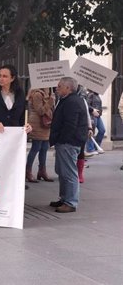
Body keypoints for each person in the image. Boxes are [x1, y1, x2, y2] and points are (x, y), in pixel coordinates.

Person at [49, 77, 89, 213]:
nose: (57, 88)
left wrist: (62, 139)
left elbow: (70, 124)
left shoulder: (72, 102)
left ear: (68, 88)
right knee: (62, 172)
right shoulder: (67, 100)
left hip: (68, 142)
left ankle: (70, 202)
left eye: (60, 86)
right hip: (66, 142)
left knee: (69, 173)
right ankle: (64, 198)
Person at [26, 87, 55, 182]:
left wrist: (52, 102)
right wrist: (50, 102)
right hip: (37, 124)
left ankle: (42, 171)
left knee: (44, 148)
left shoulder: (50, 93)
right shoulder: (37, 94)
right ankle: (28, 171)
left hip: (46, 124)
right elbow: (40, 111)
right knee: (36, 147)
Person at [85, 90, 105, 156]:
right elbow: (86, 105)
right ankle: (90, 149)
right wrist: (93, 110)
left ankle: (96, 147)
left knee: (102, 130)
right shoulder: (90, 95)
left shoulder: (97, 95)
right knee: (91, 132)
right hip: (92, 115)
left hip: (98, 116)